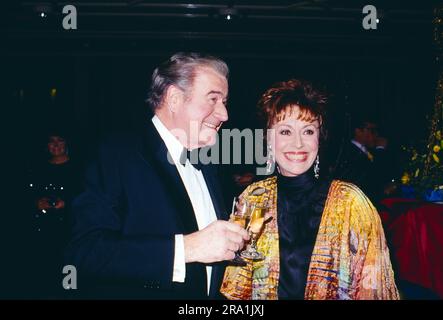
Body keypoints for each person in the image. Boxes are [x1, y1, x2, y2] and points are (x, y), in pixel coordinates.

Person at [64, 52, 248, 299]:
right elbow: (84, 253)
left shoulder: (207, 162)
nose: (224, 114)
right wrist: (186, 249)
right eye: (213, 99)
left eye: (224, 101)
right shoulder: (116, 154)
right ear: (174, 98)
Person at [220, 79, 399, 300]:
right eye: (285, 132)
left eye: (308, 131)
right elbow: (237, 287)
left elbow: (375, 289)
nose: (298, 144)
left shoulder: (351, 202)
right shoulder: (254, 198)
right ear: (268, 139)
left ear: (319, 139)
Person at [27, 131, 81, 298]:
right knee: (45, 274)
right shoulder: (37, 169)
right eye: (51, 141)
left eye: (60, 140)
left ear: (67, 144)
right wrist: (36, 203)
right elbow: (24, 195)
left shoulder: (80, 168)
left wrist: (67, 203)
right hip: (43, 230)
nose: (56, 145)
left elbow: (88, 197)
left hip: (71, 230)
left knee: (69, 276)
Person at [332, 115, 393, 203]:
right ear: (358, 131)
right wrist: (380, 149)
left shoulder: (365, 152)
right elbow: (374, 177)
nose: (376, 135)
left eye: (376, 131)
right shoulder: (351, 153)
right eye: (371, 130)